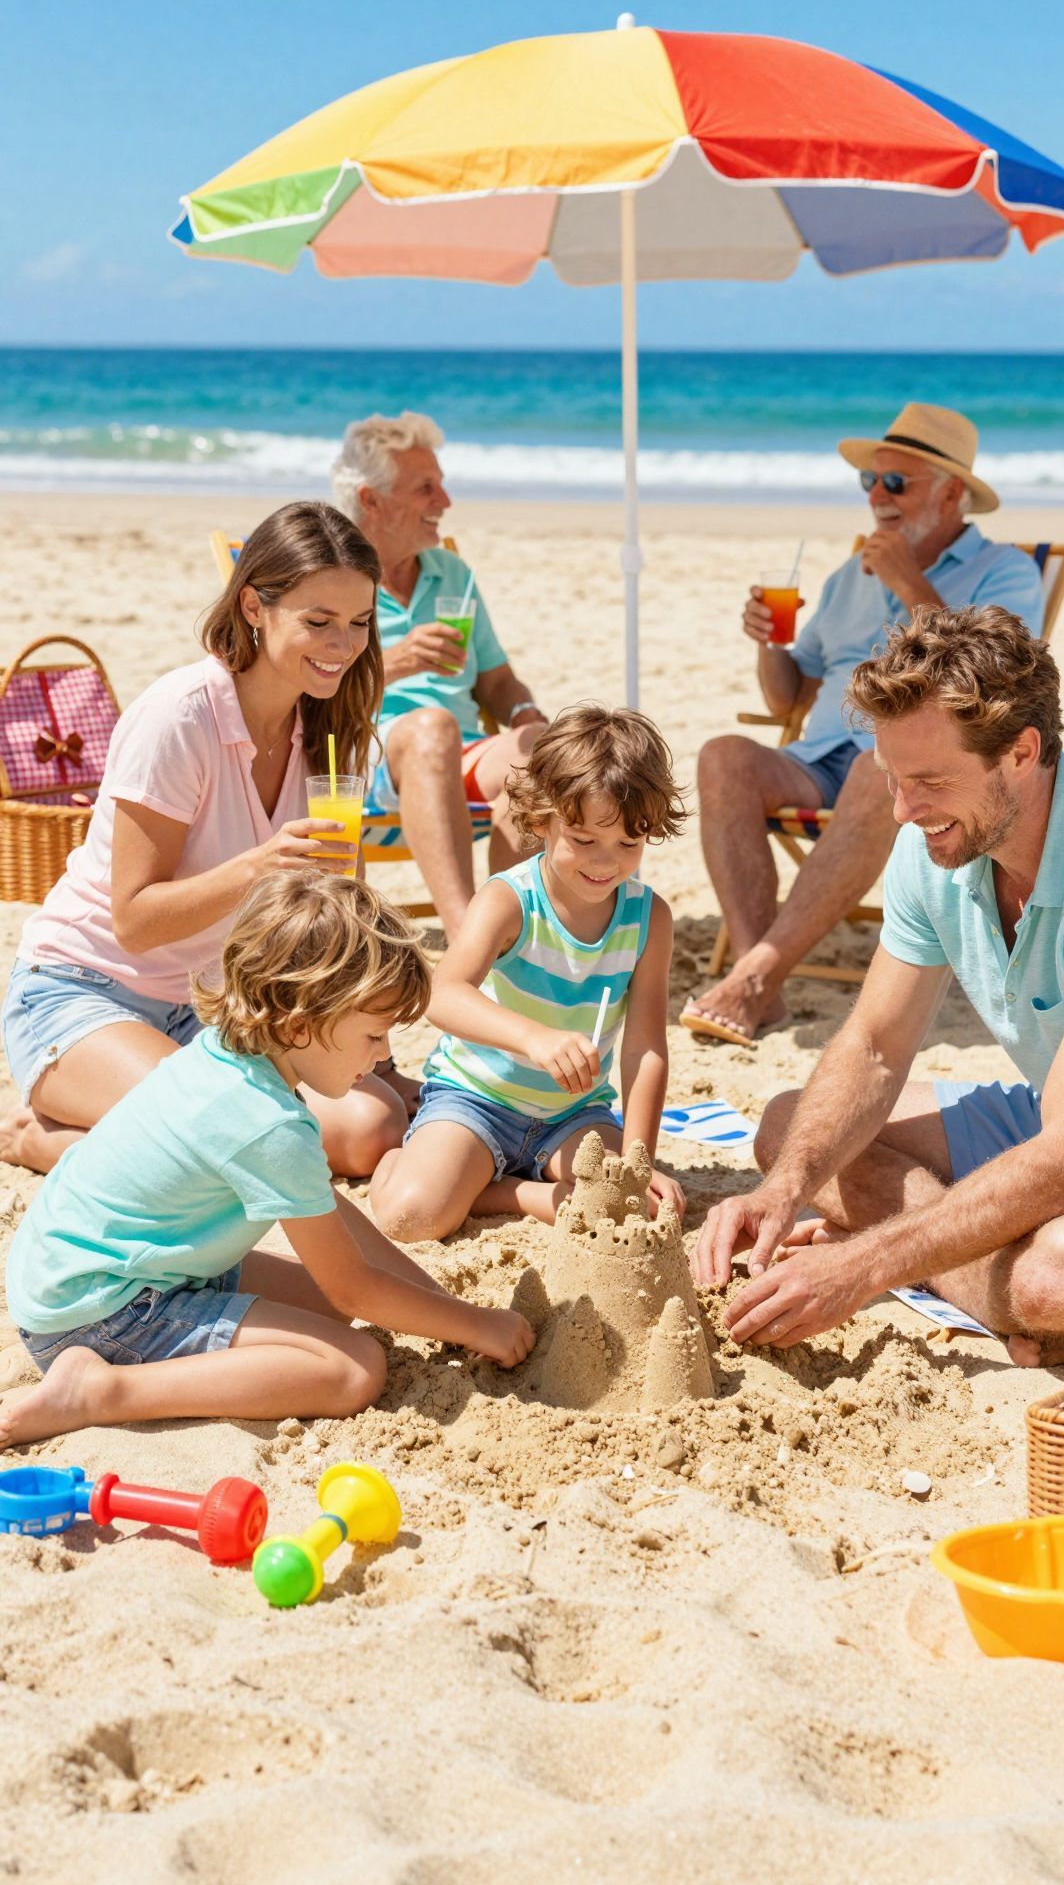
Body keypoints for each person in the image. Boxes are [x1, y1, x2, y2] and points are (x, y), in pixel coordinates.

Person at [692, 604, 1064, 1368]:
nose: (904, 813)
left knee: (1063, 1272)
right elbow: (874, 1047)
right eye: (893, 782)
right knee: (791, 1131)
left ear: (1021, 752)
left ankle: (991, 1281)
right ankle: (980, 1276)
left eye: (929, 781)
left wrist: (862, 1265)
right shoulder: (941, 837)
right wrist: (781, 1193)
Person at [0, 873, 535, 1447]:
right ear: (301, 1023)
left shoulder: (231, 1058)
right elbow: (352, 1287)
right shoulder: (269, 1125)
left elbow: (337, 1225)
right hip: (102, 1311)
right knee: (353, 1367)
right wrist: (478, 1325)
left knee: (326, 1312)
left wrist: (444, 1308)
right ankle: (103, 1391)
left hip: (94, 1271)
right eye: (374, 1036)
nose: (384, 1057)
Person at [0, 501, 413, 1181]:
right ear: (255, 607)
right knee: (233, 1134)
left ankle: (120, 1122)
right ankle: (43, 1142)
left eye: (359, 623)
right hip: (85, 993)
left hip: (217, 1009)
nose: (343, 646)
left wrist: (385, 1067)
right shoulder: (181, 717)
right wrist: (259, 868)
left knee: (370, 1128)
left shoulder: (330, 732)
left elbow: (341, 928)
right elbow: (133, 921)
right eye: (318, 622)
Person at [683, 404, 1045, 1046]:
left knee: (873, 768)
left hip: (916, 766)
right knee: (723, 756)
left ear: (953, 492)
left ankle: (756, 976)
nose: (877, 495)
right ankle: (755, 972)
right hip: (818, 753)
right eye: (870, 482)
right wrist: (769, 644)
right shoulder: (849, 574)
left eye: (896, 482)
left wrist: (912, 584)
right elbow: (790, 691)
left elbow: (1000, 681)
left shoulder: (1006, 571)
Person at [370, 705, 687, 1240]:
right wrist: (534, 1038)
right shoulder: (508, 900)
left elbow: (645, 1049)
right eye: (584, 840)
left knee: (627, 1205)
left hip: (574, 1115)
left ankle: (501, 1183)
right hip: (475, 1099)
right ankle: (504, 1187)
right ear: (542, 819)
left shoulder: (648, 918)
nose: (606, 863)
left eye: (629, 844)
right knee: (412, 1215)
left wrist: (638, 1160)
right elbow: (441, 994)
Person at [331, 413, 549, 940]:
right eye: (426, 488)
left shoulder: (450, 572)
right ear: (371, 500)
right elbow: (299, 690)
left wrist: (523, 713)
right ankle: (466, 941)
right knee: (432, 727)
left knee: (541, 748)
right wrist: (395, 662)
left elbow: (496, 680)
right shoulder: (330, 575)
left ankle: (505, 935)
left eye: (442, 484)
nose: (445, 502)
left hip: (460, 751)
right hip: (362, 758)